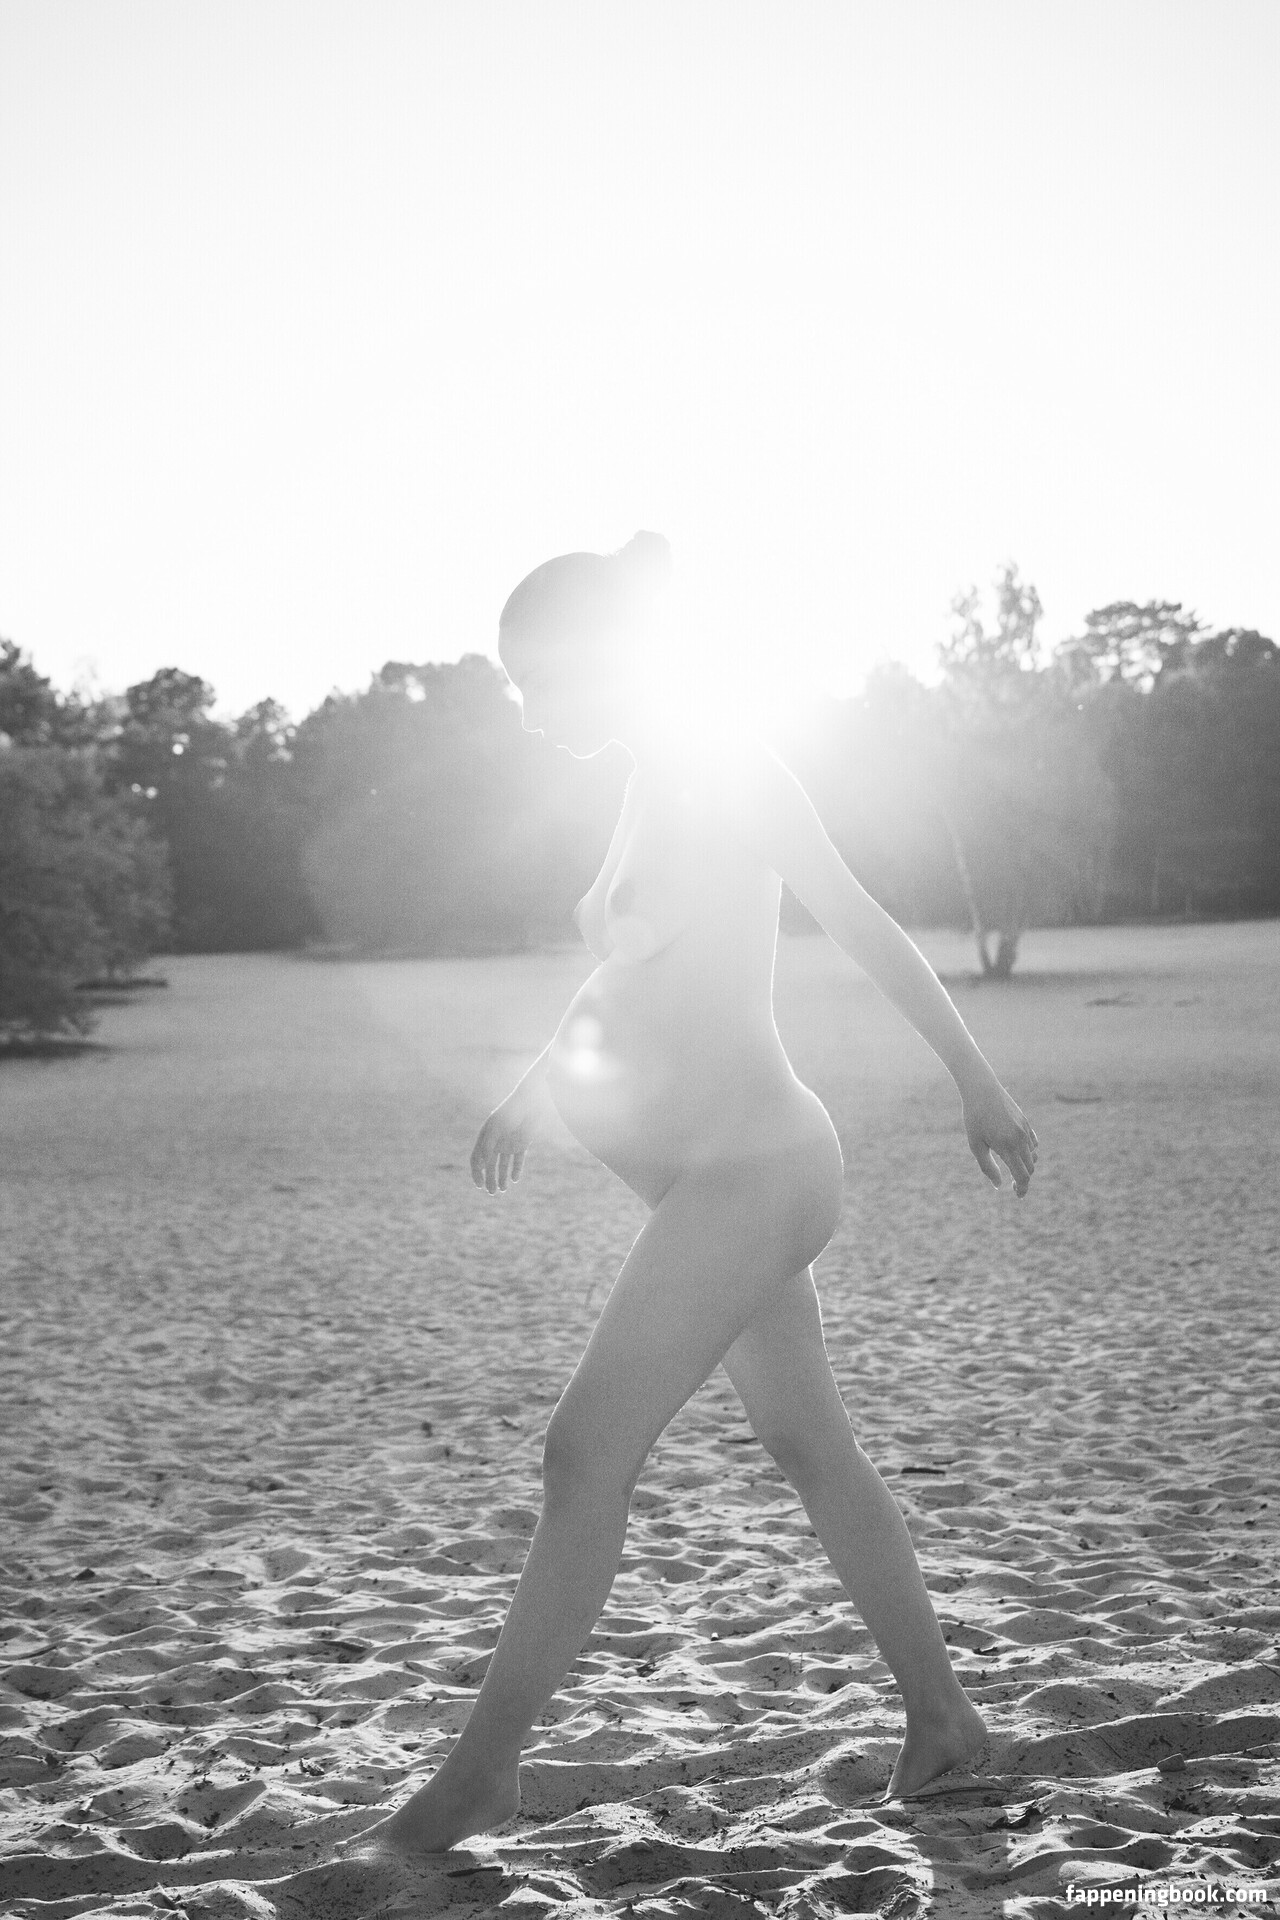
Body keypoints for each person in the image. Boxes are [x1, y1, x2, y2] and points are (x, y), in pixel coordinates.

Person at [367, 532, 1037, 1857]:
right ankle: (945, 1721)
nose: (527, 710)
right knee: (811, 1446)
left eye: (535, 679)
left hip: (759, 1170)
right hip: (703, 1179)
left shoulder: (733, 767)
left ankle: (481, 1775)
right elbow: (623, 970)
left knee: (582, 1453)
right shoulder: (641, 785)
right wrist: (534, 1090)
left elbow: (860, 918)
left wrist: (979, 1083)